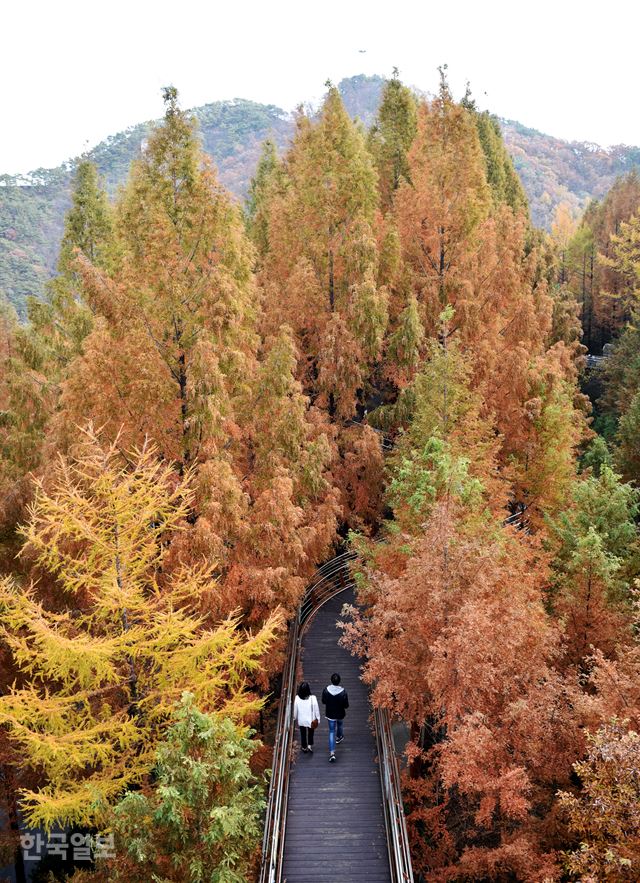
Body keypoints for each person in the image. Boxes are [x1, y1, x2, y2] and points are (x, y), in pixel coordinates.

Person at [322, 673, 349, 762]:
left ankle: (332, 753)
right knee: (340, 724)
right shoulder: (343, 691)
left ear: (331, 680)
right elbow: (346, 705)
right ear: (339, 681)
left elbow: (323, 701)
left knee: (331, 731)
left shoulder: (326, 690)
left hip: (330, 714)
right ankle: (339, 737)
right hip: (340, 713)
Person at [293, 681, 320, 754]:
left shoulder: (297, 698)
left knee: (303, 733)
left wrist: (294, 717)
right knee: (311, 733)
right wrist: (318, 718)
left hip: (302, 720)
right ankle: (310, 745)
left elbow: (295, 710)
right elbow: (316, 709)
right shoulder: (313, 698)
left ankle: (304, 747)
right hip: (311, 720)